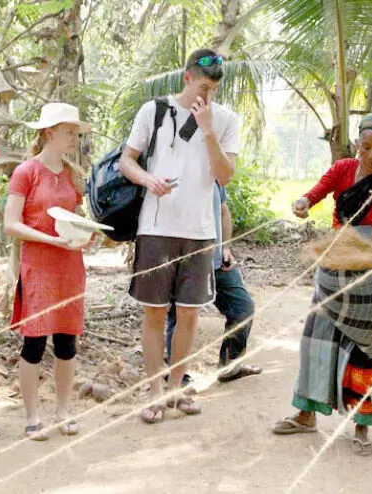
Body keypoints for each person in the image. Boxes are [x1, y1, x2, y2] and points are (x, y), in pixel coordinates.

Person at [272, 114, 372, 456]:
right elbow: (313, 194)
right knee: (318, 340)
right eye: (366, 147)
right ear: (357, 144)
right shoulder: (343, 169)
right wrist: (302, 203)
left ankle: (361, 426)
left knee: (367, 352)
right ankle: (306, 413)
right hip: (335, 268)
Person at [120, 48, 240, 423]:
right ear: (186, 79)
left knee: (189, 314)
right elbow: (127, 160)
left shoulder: (225, 120)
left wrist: (207, 130)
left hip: (200, 231)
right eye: (203, 85)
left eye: (215, 89)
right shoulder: (153, 111)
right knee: (154, 314)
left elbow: (225, 175)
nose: (208, 95)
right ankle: (154, 390)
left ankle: (176, 386)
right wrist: (147, 179)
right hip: (156, 228)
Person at [4, 103, 90, 440]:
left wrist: (87, 235)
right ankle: (32, 416)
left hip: (70, 267)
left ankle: (63, 410)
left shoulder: (73, 174)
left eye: (75, 133)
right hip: (38, 267)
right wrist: (51, 240)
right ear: (48, 132)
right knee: (34, 344)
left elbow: (77, 218)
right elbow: (11, 224)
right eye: (69, 132)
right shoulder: (26, 172)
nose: (73, 138)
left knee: (68, 343)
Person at [164, 182, 261, 384]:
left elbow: (224, 213)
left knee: (242, 308)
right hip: (186, 262)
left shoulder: (215, 175)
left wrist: (226, 247)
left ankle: (229, 367)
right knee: (181, 319)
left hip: (218, 263)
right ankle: (176, 378)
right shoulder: (175, 173)